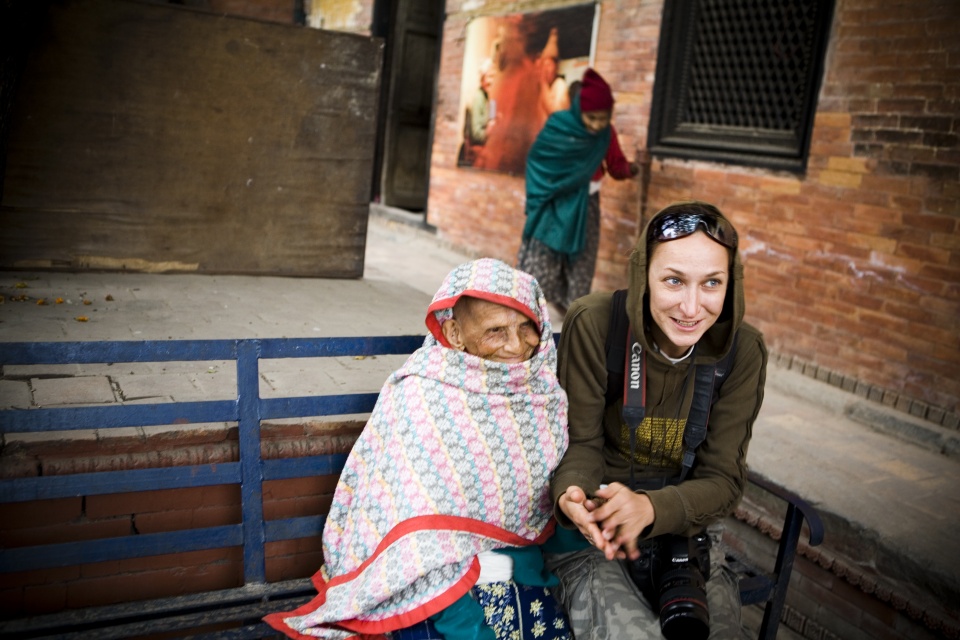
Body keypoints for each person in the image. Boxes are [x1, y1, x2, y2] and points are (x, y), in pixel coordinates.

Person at [265, 258, 572, 640]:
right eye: (495, 331)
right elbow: (420, 543)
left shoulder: (542, 393)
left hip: (517, 572)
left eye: (526, 326)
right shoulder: (423, 395)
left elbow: (544, 505)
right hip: (429, 586)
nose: (516, 345)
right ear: (454, 333)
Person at [543, 201, 768, 639]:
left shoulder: (742, 352)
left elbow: (723, 480)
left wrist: (649, 508)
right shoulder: (596, 324)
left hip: (686, 531)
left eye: (712, 283)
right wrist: (572, 495)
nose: (691, 307)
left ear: (731, 285)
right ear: (643, 275)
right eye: (673, 280)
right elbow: (581, 444)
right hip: (599, 534)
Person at [518, 68, 639, 313]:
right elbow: (538, 160)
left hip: (586, 207)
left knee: (581, 264)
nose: (596, 125)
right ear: (578, 109)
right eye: (591, 117)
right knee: (542, 261)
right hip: (554, 205)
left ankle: (572, 314)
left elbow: (615, 165)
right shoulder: (558, 126)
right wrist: (549, 188)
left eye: (603, 118)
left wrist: (631, 169)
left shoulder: (606, 134)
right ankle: (527, 313)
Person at [459, 59, 497, 166]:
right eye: (489, 77)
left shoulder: (486, 97)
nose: (491, 81)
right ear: (482, 78)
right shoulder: (478, 98)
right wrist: (489, 130)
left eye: (493, 77)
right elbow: (476, 135)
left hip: (483, 146)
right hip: (475, 152)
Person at [536, 28, 569, 122]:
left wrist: (543, 82)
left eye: (549, 65)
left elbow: (554, 113)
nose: (546, 69)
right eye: (544, 65)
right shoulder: (543, 88)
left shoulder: (560, 85)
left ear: (556, 68)